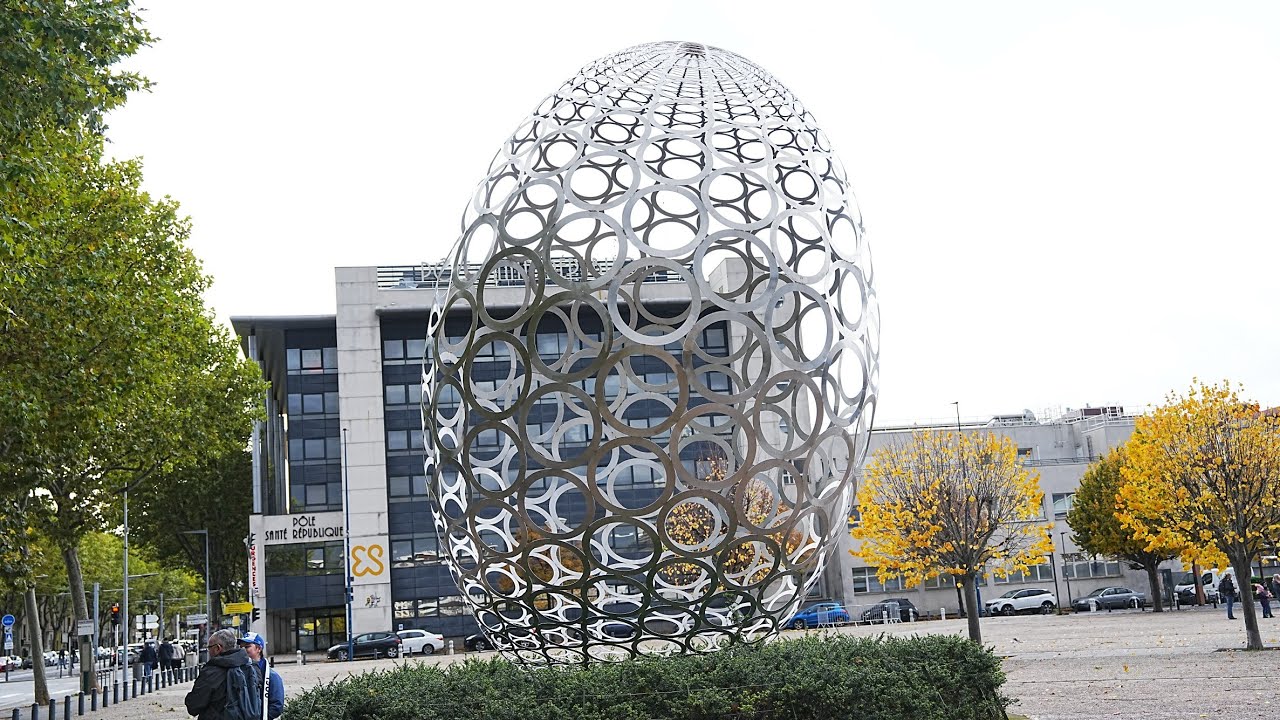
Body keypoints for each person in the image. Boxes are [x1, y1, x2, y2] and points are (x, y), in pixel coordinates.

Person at [184, 628, 261, 720]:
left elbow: (194, 706)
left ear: (217, 648)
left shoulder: (211, 672)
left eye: (209, 647)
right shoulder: (252, 667)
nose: (208, 651)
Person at [238, 632, 284, 719]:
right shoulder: (237, 671)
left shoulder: (271, 676)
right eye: (241, 647)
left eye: (247, 646)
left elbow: (277, 706)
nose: (243, 650)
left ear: (258, 649)